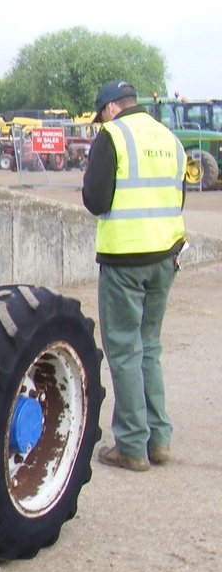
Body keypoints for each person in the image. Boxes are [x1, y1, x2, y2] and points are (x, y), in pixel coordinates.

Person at [82, 80, 187, 472]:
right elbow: (177, 198)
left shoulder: (113, 135)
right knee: (149, 347)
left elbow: (95, 199)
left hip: (125, 259)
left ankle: (130, 445)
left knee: (124, 349)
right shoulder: (169, 139)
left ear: (110, 109)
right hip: (165, 256)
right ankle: (159, 440)